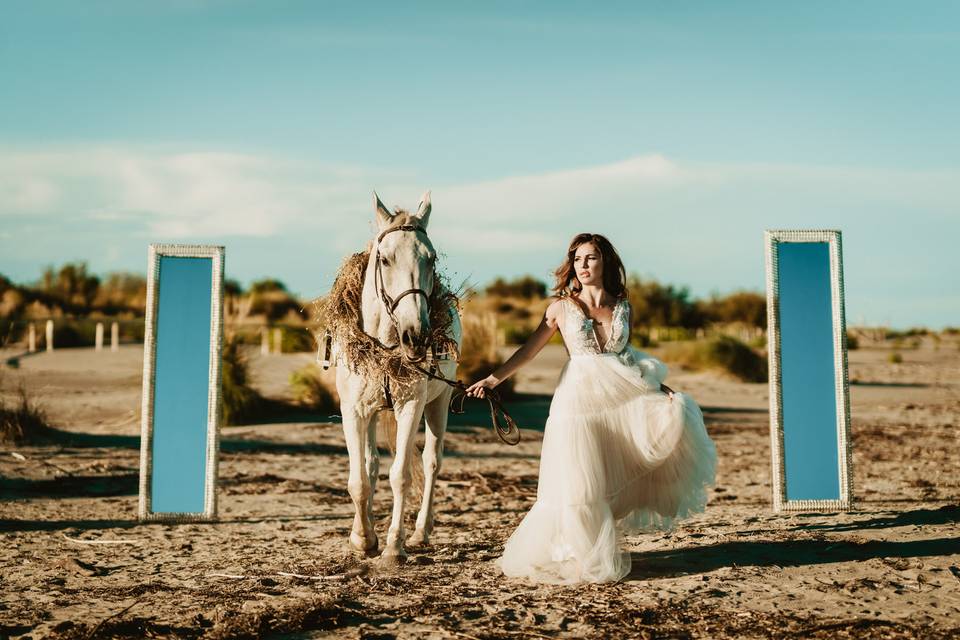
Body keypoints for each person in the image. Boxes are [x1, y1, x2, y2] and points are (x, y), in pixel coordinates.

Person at [465, 232, 718, 584]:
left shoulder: (623, 306)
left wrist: (661, 388)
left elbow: (625, 359)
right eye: (578, 259)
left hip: (616, 405)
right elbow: (529, 350)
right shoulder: (560, 308)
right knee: (577, 482)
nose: (583, 266)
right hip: (577, 405)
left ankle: (593, 547)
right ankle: (575, 553)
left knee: (612, 471)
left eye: (591, 258)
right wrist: (494, 379)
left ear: (605, 262)